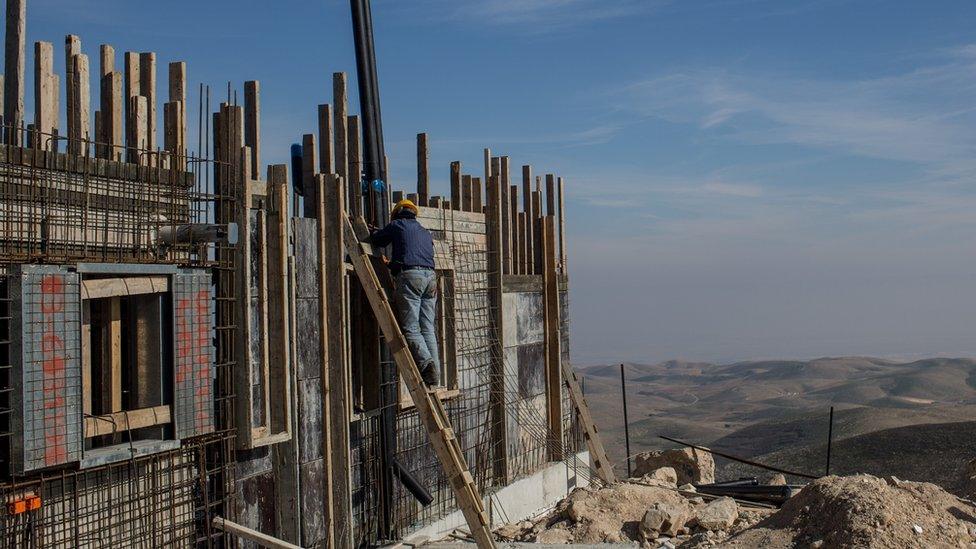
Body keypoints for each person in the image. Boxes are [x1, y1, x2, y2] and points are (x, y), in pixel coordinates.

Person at [367, 199, 441, 388]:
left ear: (397, 213)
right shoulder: (425, 232)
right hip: (431, 278)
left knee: (411, 328)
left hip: (411, 278)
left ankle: (426, 365)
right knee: (427, 328)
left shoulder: (397, 225)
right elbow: (413, 255)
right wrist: (391, 264)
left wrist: (372, 231)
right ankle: (435, 375)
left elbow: (377, 240)